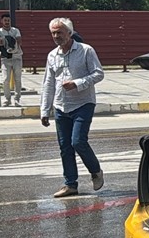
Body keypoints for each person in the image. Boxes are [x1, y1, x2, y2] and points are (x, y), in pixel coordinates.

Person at [40, 18, 105, 198]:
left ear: (69, 33)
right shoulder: (52, 55)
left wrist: (78, 83)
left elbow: (99, 73)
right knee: (65, 147)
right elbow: (48, 83)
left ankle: (95, 171)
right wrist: (45, 110)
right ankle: (70, 184)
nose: (56, 36)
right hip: (61, 106)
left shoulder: (86, 51)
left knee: (78, 141)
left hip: (83, 103)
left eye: (59, 32)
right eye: (53, 33)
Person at [0, 13, 23, 107]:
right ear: (2, 21)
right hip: (5, 59)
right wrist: (7, 40)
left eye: (8, 20)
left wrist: (8, 41)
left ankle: (17, 99)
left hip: (16, 57)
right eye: (5, 20)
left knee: (17, 79)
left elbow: (19, 40)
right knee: (5, 79)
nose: (7, 22)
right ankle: (7, 99)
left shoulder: (15, 30)